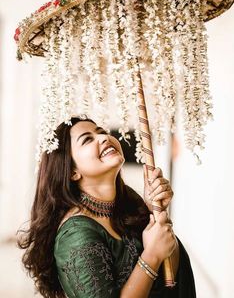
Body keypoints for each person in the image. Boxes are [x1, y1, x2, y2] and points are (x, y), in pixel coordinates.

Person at [17, 116, 196, 298]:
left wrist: (156, 212)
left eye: (102, 132)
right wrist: (151, 256)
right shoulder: (76, 236)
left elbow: (169, 281)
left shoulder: (128, 202)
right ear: (72, 171)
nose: (104, 138)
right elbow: (155, 257)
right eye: (87, 139)